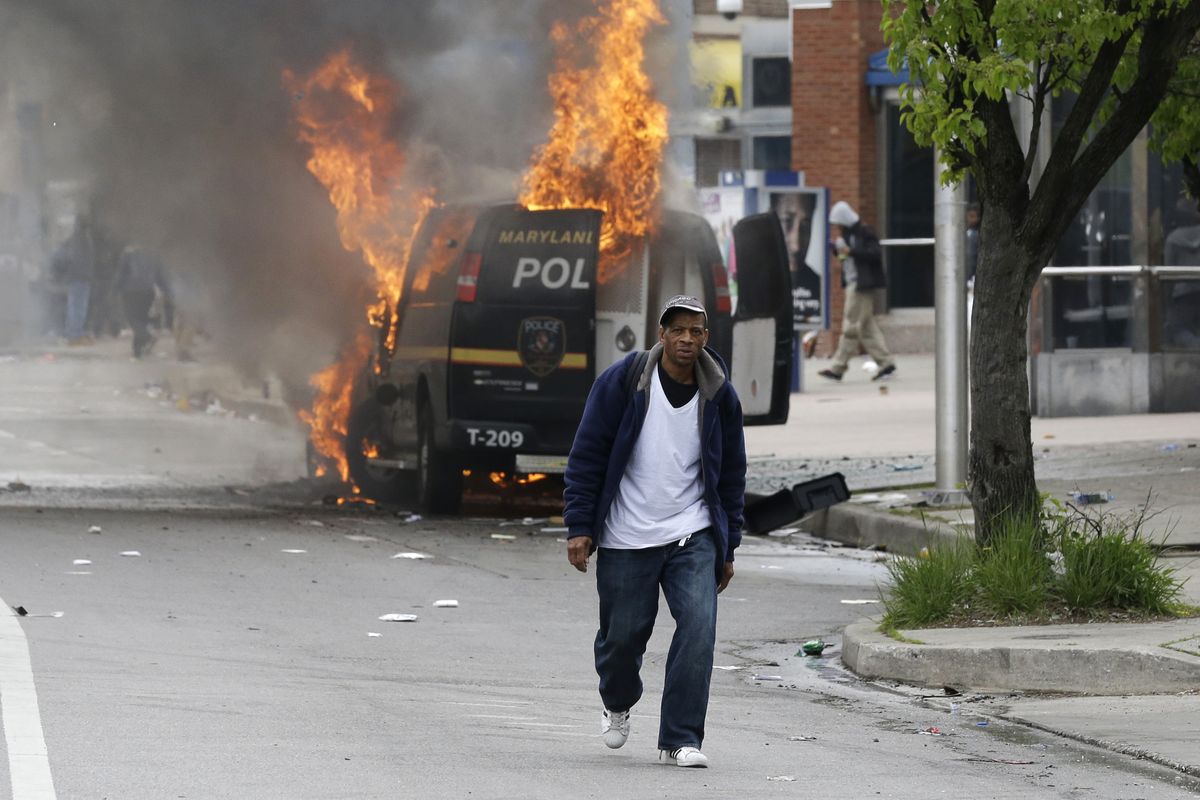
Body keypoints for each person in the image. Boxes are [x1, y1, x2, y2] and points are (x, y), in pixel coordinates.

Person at [564, 295, 746, 769]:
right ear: (662, 334)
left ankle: (681, 738)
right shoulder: (623, 382)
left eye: (697, 331)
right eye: (678, 330)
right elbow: (587, 456)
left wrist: (729, 544)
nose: (687, 339)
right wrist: (580, 526)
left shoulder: (719, 392)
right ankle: (618, 699)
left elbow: (731, 474)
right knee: (622, 639)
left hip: (693, 530)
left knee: (699, 629)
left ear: (706, 337)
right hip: (628, 533)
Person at [818, 200, 896, 381]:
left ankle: (838, 367)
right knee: (867, 328)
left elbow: (874, 253)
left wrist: (850, 250)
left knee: (851, 326)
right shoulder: (846, 235)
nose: (837, 227)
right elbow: (847, 258)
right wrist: (838, 252)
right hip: (854, 283)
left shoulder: (864, 232)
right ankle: (886, 362)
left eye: (838, 223)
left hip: (861, 285)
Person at [50, 216, 98, 345]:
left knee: (75, 306)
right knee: (78, 307)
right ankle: (74, 334)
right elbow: (71, 258)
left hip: (75, 277)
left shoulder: (74, 240)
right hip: (81, 278)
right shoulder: (83, 240)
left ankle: (72, 333)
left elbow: (61, 256)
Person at [116, 244, 168, 359]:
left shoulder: (128, 251)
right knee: (142, 320)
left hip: (130, 290)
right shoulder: (153, 251)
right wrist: (165, 289)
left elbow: (121, 271)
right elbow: (160, 273)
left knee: (133, 319)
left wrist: (117, 288)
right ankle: (137, 351)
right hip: (147, 290)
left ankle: (144, 338)